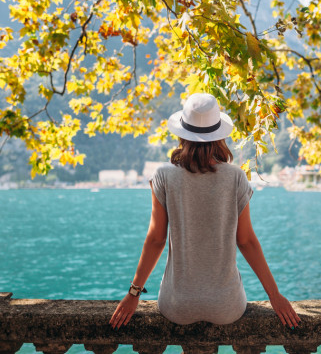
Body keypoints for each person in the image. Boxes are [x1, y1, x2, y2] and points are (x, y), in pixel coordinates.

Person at [110, 93, 300, 329]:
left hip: (176, 305)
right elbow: (247, 241)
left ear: (182, 133)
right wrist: (275, 297)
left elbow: (156, 239)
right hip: (227, 306)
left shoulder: (163, 175)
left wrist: (134, 294)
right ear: (218, 134)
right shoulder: (236, 177)